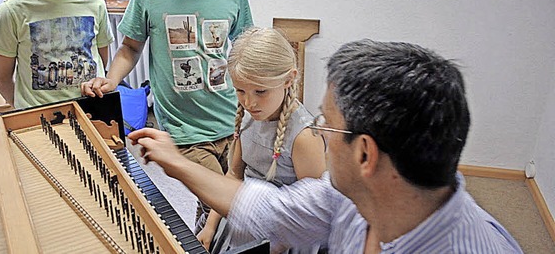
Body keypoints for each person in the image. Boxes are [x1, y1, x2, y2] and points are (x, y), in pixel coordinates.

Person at [128, 39, 523, 253]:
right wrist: (175, 162)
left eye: (327, 126)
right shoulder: (347, 197)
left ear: (365, 154)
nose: (318, 133)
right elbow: (265, 207)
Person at [81, 0, 253, 233]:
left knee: (239, 197)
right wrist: (110, 79)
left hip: (231, 119)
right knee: (215, 202)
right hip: (183, 127)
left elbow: (245, 52)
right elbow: (130, 48)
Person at [196, 28, 326, 253]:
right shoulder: (249, 118)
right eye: (240, 91)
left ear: (289, 79)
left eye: (260, 91)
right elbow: (233, 175)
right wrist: (210, 226)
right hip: (241, 223)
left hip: (281, 240)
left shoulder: (304, 136)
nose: (249, 102)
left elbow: (311, 215)